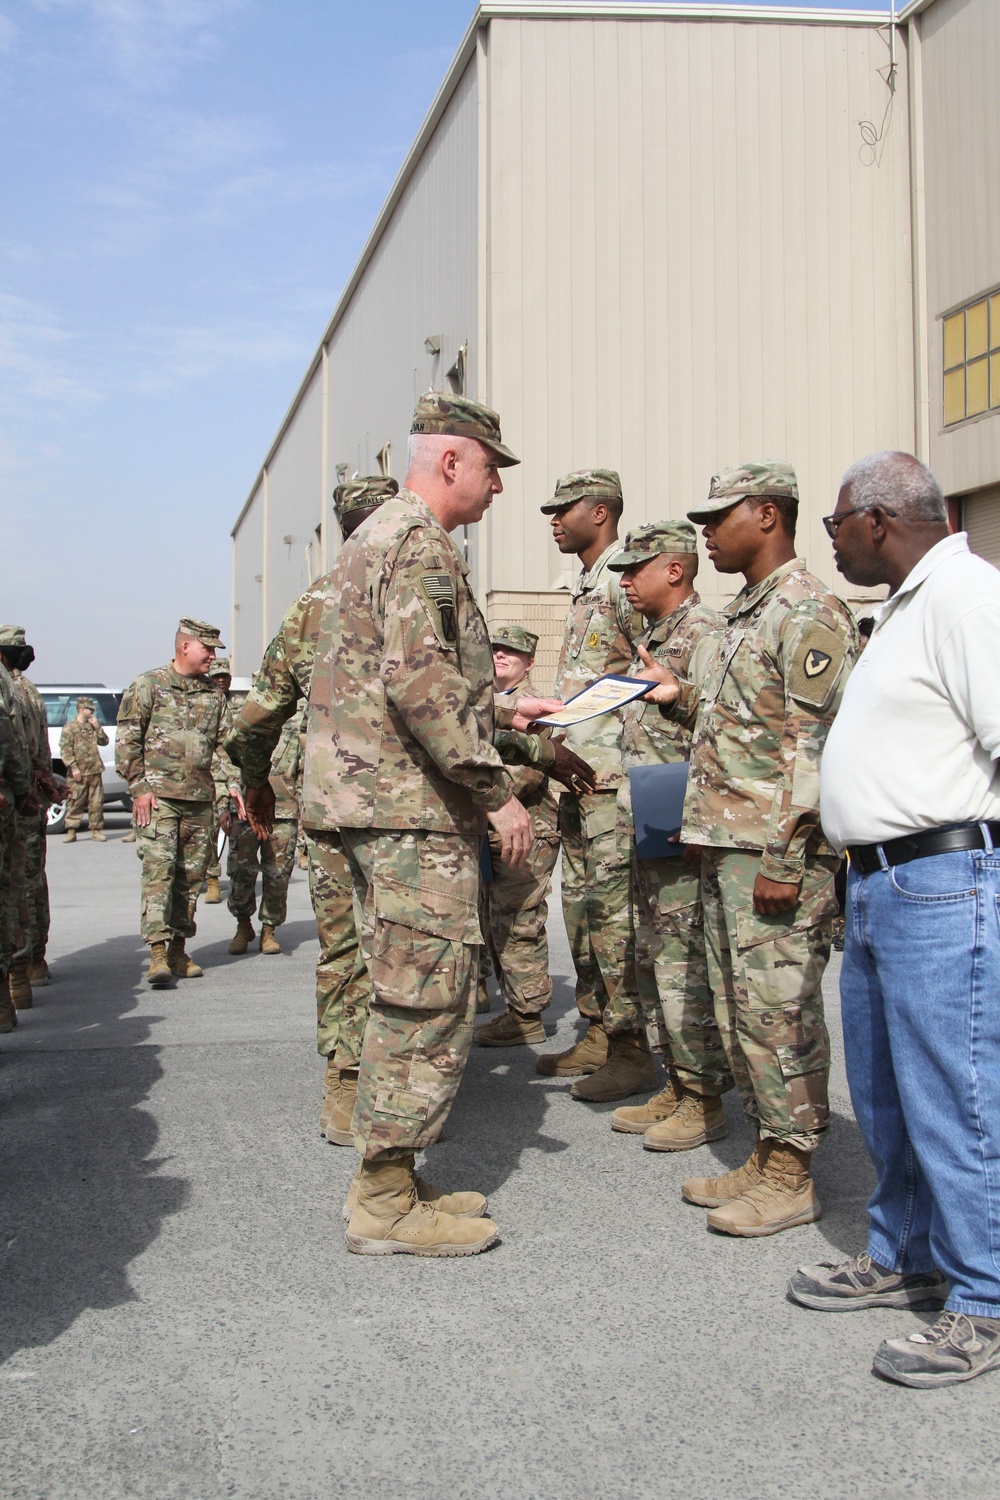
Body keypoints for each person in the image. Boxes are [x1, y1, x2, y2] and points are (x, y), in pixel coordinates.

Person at [304, 391, 559, 1257]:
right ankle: (382, 1203)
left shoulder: (378, 540)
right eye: (491, 471)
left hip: (379, 804)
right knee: (427, 998)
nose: (496, 490)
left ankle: (396, 1177)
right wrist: (498, 793)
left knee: (409, 992)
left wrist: (507, 707)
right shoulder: (416, 543)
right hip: (410, 812)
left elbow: (406, 675)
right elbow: (421, 685)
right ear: (451, 461)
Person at [788, 450, 1000, 1389]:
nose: (829, 541)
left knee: (959, 1102)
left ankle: (984, 1301)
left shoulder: (965, 597)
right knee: (887, 1095)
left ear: (876, 519)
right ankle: (906, 1250)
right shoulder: (909, 605)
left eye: (835, 524)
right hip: (882, 884)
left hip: (943, 885)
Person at [641, 463, 857, 1236]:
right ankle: (769, 1154)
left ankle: (795, 1174)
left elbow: (817, 745)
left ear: (767, 514)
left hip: (770, 854)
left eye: (719, 516)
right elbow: (750, 718)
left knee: (779, 1012)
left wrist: (788, 858)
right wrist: (682, 694)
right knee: (741, 1012)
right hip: (728, 848)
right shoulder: (745, 614)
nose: (705, 531)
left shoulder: (809, 610)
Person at [226, 475, 400, 1145]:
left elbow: (259, 714)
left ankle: (346, 1081)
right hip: (407, 814)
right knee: (408, 947)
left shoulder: (311, 606)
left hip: (330, 809)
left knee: (344, 946)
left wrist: (256, 782)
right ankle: (390, 1086)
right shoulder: (415, 590)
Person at [606, 523, 733, 1147]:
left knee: (685, 961)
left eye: (636, 569)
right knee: (657, 956)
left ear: (675, 570)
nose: (624, 581)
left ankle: (704, 1095)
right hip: (651, 819)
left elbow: (725, 729)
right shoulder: (654, 637)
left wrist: (702, 816)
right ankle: (681, 1080)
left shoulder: (706, 635)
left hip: (685, 823)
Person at [534, 469, 652, 1104]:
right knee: (579, 915)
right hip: (579, 777)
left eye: (564, 508)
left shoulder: (624, 580)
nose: (553, 518)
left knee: (613, 918)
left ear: (601, 511)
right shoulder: (585, 583)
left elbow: (655, 670)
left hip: (614, 781)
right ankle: (599, 1030)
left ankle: (633, 1047)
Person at [116, 618, 237, 987]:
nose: (213, 657)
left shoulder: (213, 696)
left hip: (199, 800)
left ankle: (178, 949)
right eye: (208, 649)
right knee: (159, 874)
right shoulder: (148, 685)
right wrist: (139, 787)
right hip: (159, 799)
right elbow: (127, 741)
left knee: (191, 878)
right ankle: (157, 953)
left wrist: (231, 784)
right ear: (185, 647)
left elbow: (223, 746)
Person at [474, 626, 566, 1047]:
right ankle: (505, 1001)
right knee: (492, 923)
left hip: (525, 833)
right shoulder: (483, 707)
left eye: (512, 651)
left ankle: (527, 1015)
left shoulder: (537, 710)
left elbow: (523, 777)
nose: (501, 656)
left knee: (518, 924)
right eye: (495, 649)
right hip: (488, 833)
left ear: (530, 662)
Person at [0, 627, 59, 1006]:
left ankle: (19, 972)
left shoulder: (15, 688)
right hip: (22, 795)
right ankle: (28, 964)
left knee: (15, 885)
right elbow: (34, 746)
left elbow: (15, 743)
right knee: (25, 881)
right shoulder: (26, 689)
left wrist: (24, 788)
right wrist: (36, 782)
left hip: (17, 796)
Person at [227, 705, 303, 957]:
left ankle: (269, 930)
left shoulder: (298, 723)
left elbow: (306, 768)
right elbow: (225, 760)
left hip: (284, 810)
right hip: (245, 810)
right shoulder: (245, 719)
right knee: (241, 872)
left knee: (278, 875)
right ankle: (243, 925)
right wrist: (224, 802)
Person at [0, 653, 34, 1032]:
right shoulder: (18, 688)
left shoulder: (15, 688)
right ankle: (18, 976)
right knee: (14, 886)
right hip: (11, 793)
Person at [203, 656, 239, 903]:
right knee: (211, 831)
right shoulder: (204, 703)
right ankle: (213, 880)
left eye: (224, 676)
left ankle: (237, 881)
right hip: (210, 778)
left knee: (236, 832)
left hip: (234, 776)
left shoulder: (240, 704)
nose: (220, 680)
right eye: (216, 676)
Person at [59, 696, 108, 843]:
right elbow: (65, 750)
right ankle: (71, 830)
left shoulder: (91, 726)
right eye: (89, 709)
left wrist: (97, 726)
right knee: (75, 801)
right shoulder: (70, 728)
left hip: (94, 769)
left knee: (96, 802)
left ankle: (96, 830)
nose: (92, 711)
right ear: (81, 709)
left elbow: (104, 741)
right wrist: (74, 768)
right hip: (78, 771)